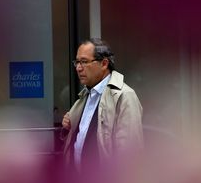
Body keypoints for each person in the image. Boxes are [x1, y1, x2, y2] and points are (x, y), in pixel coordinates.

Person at [61, 38, 143, 171]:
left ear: (104, 64)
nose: (78, 68)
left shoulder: (124, 96)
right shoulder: (86, 95)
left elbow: (128, 155)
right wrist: (69, 127)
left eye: (84, 62)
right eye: (77, 62)